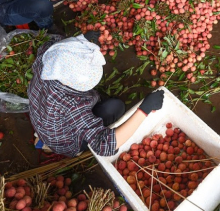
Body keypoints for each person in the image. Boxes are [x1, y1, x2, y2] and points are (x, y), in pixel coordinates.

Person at [28, 33, 165, 157]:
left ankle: (43, 138)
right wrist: (144, 110)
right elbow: (103, 145)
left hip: (42, 121)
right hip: (66, 142)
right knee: (115, 108)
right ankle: (65, 148)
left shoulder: (46, 58)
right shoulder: (71, 105)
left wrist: (83, 41)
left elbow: (54, 40)